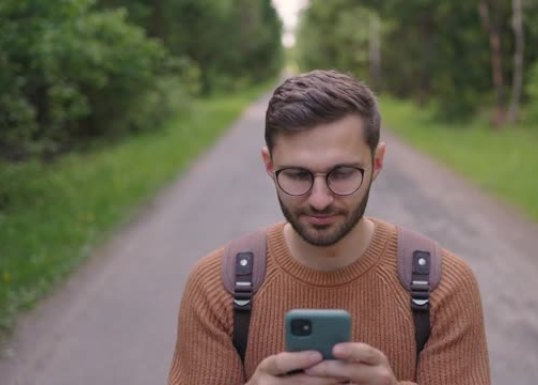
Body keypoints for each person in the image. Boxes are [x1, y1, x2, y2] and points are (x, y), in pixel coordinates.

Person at [168, 70, 490, 385]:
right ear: (269, 165)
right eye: (297, 175)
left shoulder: (444, 287)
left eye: (342, 173)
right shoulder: (215, 288)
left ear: (377, 162)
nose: (320, 200)